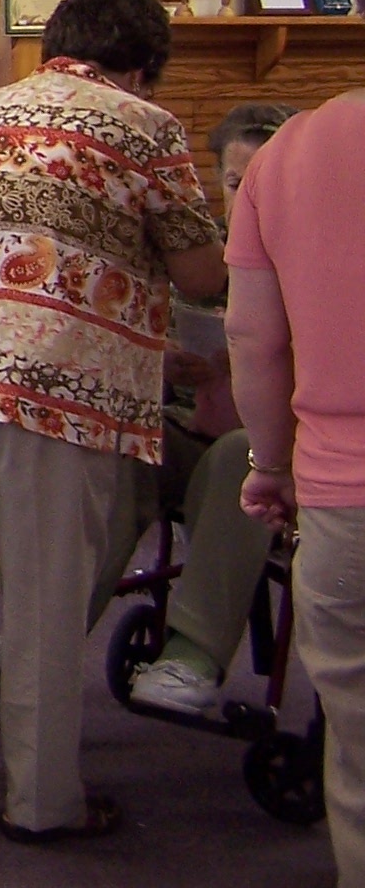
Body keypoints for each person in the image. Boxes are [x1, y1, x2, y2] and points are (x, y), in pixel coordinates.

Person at [0, 0, 224, 841]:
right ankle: (41, 802)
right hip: (59, 382)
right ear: (143, 68)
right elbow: (201, 276)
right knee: (43, 592)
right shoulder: (145, 127)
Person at [113, 102, 293, 714]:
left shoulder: (314, 254)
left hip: (269, 446)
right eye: (237, 182)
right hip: (188, 420)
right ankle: (51, 627)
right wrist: (165, 357)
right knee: (118, 444)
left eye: (261, 182)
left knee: (238, 456)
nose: (245, 197)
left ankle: (193, 653)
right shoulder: (202, 252)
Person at [228, 88, 365, 883]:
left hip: (342, 499)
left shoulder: (289, 153)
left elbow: (253, 336)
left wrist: (271, 465)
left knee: (355, 751)